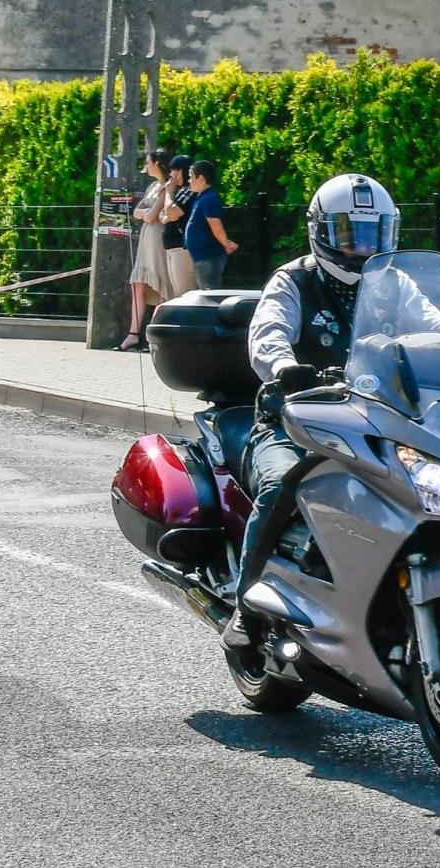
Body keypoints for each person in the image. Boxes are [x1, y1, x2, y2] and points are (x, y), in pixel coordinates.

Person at [221, 173, 403, 649]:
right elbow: (268, 332)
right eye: (350, 234)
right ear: (321, 231)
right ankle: (246, 607)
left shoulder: (395, 284)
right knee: (282, 483)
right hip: (296, 421)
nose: (362, 248)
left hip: (377, 419)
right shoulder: (295, 279)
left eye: (373, 235)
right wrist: (283, 366)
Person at [122, 149, 176, 350]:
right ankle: (133, 333)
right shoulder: (152, 187)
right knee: (138, 283)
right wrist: (144, 213)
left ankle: (156, 333)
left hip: (157, 238)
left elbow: (151, 215)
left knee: (161, 284)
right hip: (147, 238)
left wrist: (144, 213)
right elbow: (137, 212)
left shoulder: (166, 188)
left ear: (157, 164)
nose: (146, 165)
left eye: (148, 162)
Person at [183, 160, 237, 289]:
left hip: (209, 256)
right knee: (206, 291)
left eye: (191, 177)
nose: (189, 181)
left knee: (209, 294)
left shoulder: (209, 199)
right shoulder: (201, 198)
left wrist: (227, 244)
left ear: (201, 178)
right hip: (202, 257)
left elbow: (215, 225)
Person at [159, 154, 197, 296]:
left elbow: (172, 212)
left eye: (174, 170)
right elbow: (163, 215)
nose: (171, 175)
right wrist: (168, 215)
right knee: (176, 292)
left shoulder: (189, 191)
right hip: (172, 247)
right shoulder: (180, 191)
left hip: (181, 247)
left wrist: (169, 193)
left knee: (185, 293)